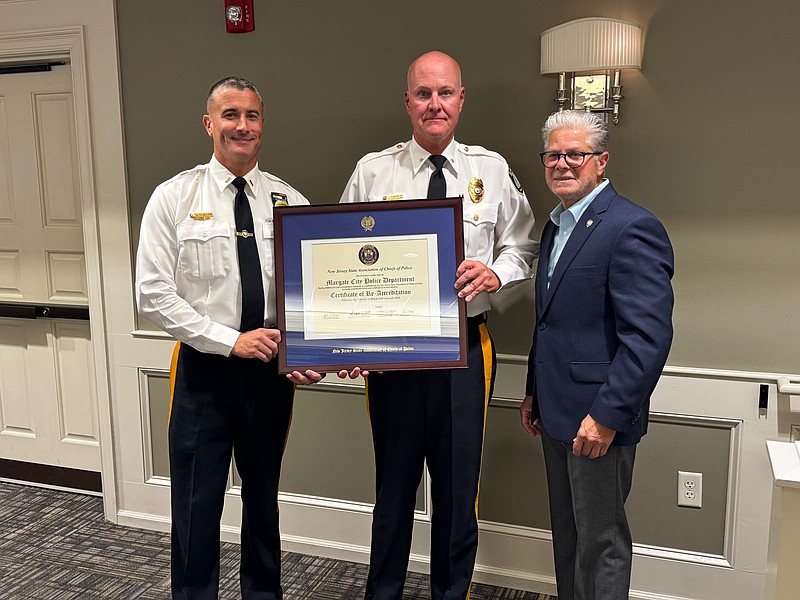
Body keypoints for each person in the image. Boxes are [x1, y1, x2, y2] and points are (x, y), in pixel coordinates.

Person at [339, 51, 538, 600]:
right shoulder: (373, 170)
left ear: (460, 99)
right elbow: (340, 260)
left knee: (456, 493)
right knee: (394, 489)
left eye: (445, 93)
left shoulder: (491, 170)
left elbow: (523, 246)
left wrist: (495, 273)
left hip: (464, 350)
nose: (434, 104)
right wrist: (348, 338)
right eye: (423, 93)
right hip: (392, 355)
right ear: (407, 102)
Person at [136, 76, 322, 599]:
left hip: (269, 377)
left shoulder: (289, 200)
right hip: (204, 374)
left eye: (253, 116)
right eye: (231, 115)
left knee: (264, 503)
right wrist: (228, 340)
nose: (243, 126)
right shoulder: (174, 197)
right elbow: (152, 294)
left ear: (263, 125)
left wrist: (306, 349)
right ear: (209, 124)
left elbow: (313, 291)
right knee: (196, 509)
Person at [520, 110, 674, 600]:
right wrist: (533, 394)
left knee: (602, 544)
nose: (562, 163)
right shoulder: (555, 227)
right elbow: (553, 323)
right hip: (556, 413)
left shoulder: (632, 226)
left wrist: (606, 417)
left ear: (601, 161)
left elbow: (647, 338)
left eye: (575, 154)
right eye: (553, 155)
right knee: (569, 540)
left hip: (598, 421)